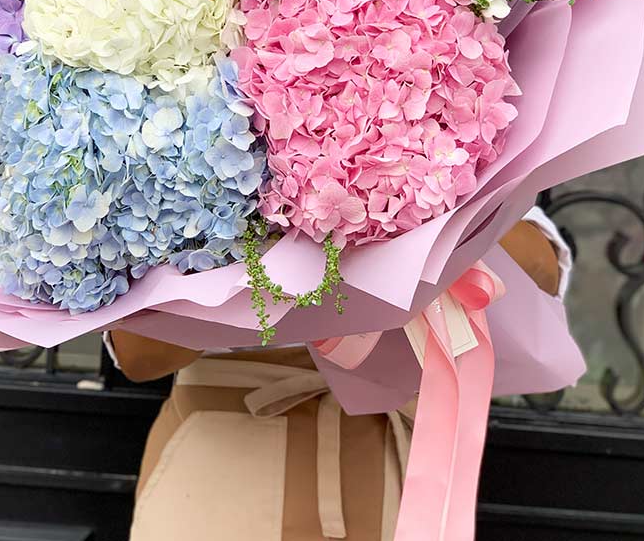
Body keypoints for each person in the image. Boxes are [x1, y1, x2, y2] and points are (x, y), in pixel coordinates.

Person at [110, 210, 572, 541]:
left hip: (387, 458)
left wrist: (402, 211)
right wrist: (265, 241)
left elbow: (539, 271)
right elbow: (140, 355)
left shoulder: (428, 121)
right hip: (221, 467)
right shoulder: (181, 151)